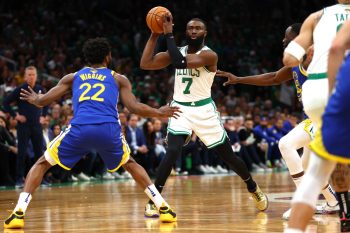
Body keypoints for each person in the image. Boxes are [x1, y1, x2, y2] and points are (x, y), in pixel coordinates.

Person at [4, 38, 180, 229]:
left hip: (80, 129)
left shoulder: (73, 77)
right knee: (130, 163)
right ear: (108, 57)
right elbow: (134, 107)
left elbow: (42, 101)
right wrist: (158, 112)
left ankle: (18, 212)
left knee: (42, 163)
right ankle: (163, 208)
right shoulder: (118, 78)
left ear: (86, 58)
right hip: (108, 129)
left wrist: (35, 98)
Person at [140, 13, 268, 218]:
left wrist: (168, 35)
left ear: (205, 33)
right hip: (180, 109)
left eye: (197, 28)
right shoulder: (177, 51)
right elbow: (146, 63)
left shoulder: (210, 55)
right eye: (190, 28)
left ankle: (252, 186)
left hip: (204, 111)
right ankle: (154, 200)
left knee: (228, 157)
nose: (193, 31)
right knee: (172, 151)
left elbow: (181, 63)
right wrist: (155, 35)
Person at [216, 23, 339, 219]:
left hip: (325, 118)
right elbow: (273, 77)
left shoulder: (315, 57)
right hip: (313, 119)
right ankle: (333, 203)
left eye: (287, 37)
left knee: (286, 144)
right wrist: (238, 79)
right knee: (308, 167)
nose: (284, 40)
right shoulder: (296, 64)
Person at [281, 2, 350, 232]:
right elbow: (338, 46)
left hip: (315, 93)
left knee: (318, 165)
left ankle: (339, 212)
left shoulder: (317, 15)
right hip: (339, 84)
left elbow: (289, 58)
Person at [3, 66, 48, 187]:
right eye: (29, 74)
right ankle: (19, 179)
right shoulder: (20, 89)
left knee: (39, 154)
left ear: (36, 76)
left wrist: (43, 115)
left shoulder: (40, 89)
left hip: (37, 126)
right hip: (23, 126)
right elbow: (5, 102)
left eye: (33, 74)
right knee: (22, 153)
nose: (31, 77)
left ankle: (41, 179)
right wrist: (15, 115)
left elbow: (47, 102)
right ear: (24, 76)